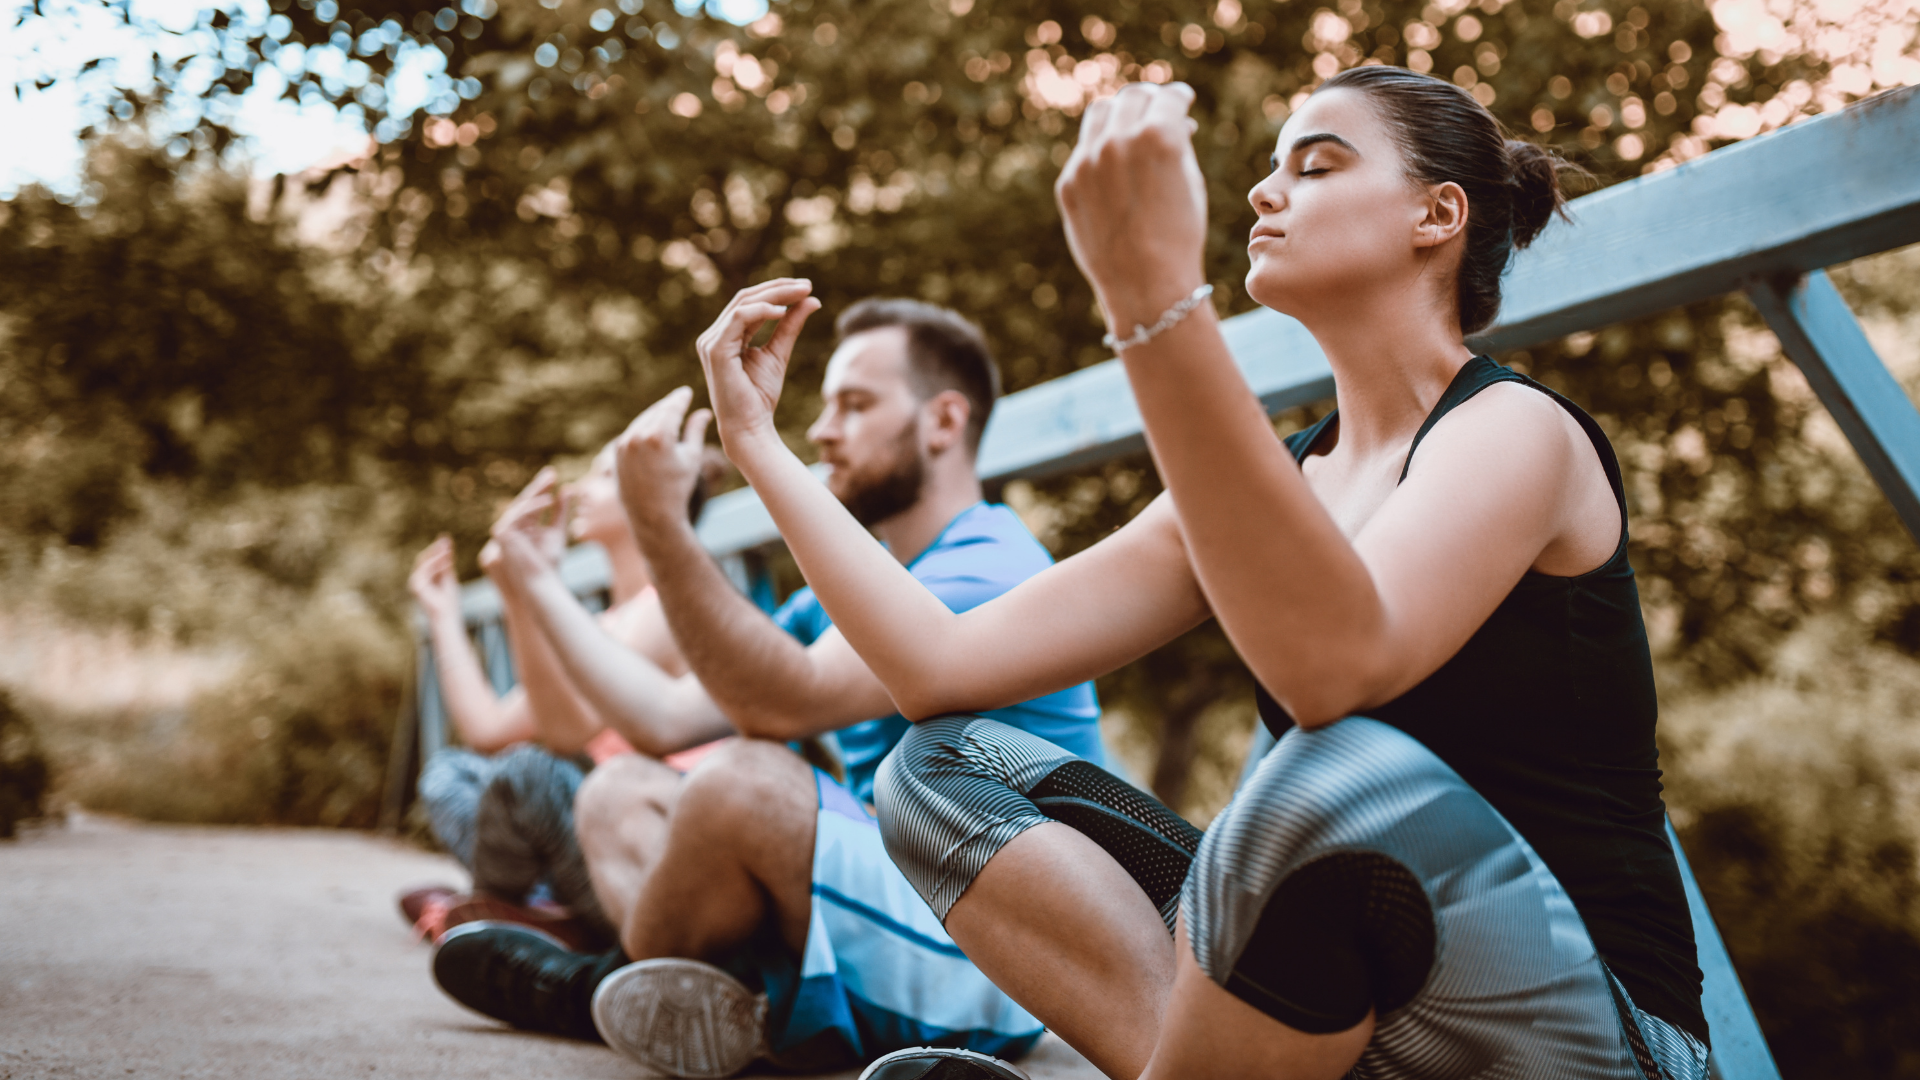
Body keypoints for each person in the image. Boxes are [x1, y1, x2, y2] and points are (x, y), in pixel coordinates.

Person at [691, 69, 1708, 1080]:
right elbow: (935, 668)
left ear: (1437, 216)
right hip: (1370, 1027)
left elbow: (1334, 673)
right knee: (936, 765)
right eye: (1271, 169)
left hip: (1602, 1041)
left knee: (1330, 779)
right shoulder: (1275, 480)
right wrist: (759, 446)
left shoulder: (1517, 433)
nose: (1265, 192)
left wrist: (1152, 300)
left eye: (1314, 166)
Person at [431, 299, 1106, 1078]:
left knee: (740, 784)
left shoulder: (989, 564)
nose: (822, 431)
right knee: (615, 790)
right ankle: (736, 1013)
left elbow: (783, 703)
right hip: (891, 906)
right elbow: (662, 718)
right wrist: (537, 580)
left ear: (944, 422)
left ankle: (593, 989)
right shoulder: (845, 588)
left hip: (998, 958)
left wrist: (664, 527)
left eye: (854, 405)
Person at [404, 445, 706, 947]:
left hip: (646, 848)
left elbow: (570, 728)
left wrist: (527, 592)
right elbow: (487, 729)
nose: (579, 490)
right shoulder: (602, 624)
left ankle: (504, 916)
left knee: (529, 772)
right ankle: (532, 913)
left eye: (604, 477)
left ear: (656, 498)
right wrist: (444, 614)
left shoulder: (667, 607)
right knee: (450, 773)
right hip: (583, 833)